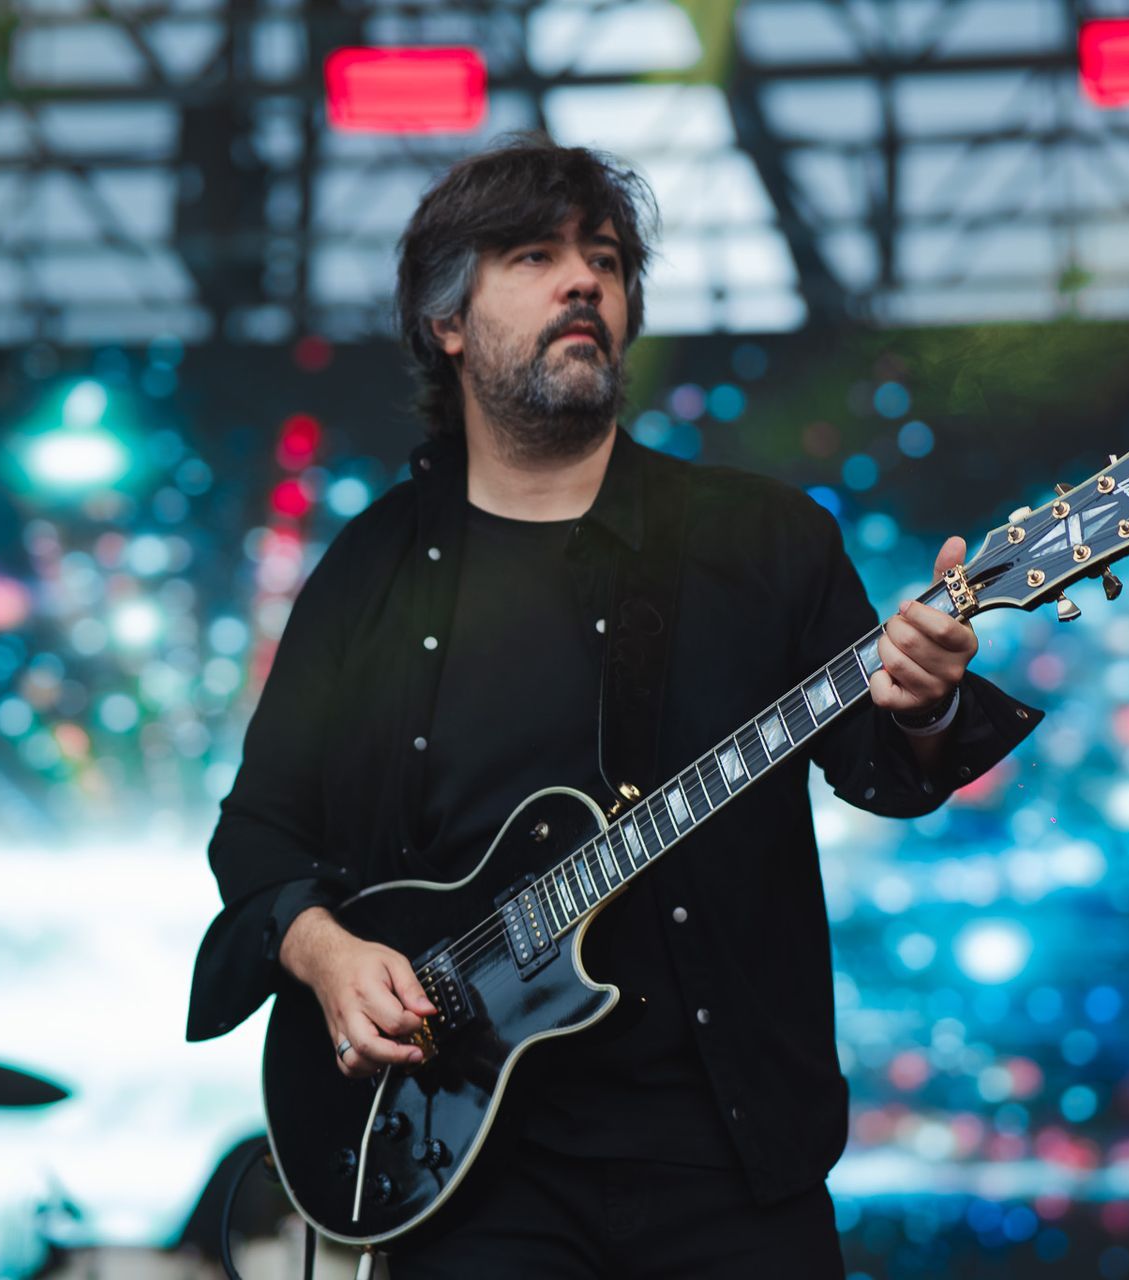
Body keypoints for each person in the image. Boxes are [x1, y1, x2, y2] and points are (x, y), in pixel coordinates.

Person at [187, 133, 1043, 1278]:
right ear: (448, 323)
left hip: (726, 1158)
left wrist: (924, 700)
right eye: (534, 256)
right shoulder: (372, 571)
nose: (584, 279)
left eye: (605, 258)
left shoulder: (760, 538)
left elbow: (882, 765)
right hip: (468, 1165)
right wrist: (328, 952)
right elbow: (260, 829)